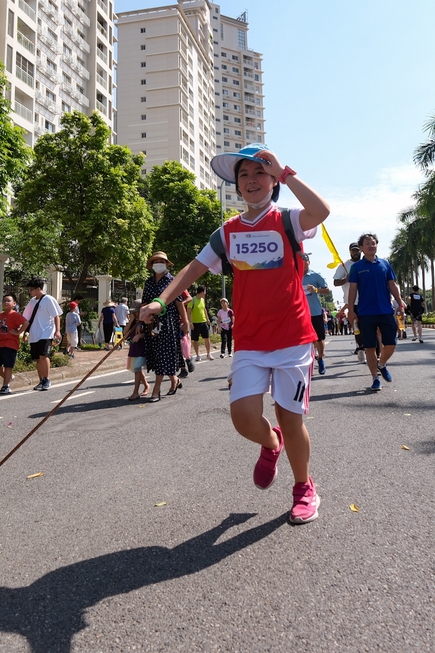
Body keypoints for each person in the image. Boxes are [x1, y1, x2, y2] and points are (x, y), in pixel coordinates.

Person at [140, 144, 329, 525]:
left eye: (260, 173)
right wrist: (161, 301)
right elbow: (192, 270)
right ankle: (270, 444)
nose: (252, 180)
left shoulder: (289, 220)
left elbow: (321, 212)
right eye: (244, 175)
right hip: (250, 341)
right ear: (237, 186)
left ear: (273, 181)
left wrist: (287, 171)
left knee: (291, 418)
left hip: (292, 338)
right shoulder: (227, 232)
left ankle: (304, 488)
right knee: (243, 417)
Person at [346, 233, 405, 392]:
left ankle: (382, 364)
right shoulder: (356, 267)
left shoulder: (385, 264)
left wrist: (400, 303)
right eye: (367, 244)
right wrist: (351, 311)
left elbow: (392, 285)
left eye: (373, 243)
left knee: (391, 344)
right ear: (362, 248)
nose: (371, 246)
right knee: (370, 347)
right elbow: (352, 289)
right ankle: (375, 378)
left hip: (385, 310)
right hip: (366, 313)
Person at [142, 252, 184, 400]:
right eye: (156, 261)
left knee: (163, 354)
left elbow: (179, 303)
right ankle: (175, 380)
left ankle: (156, 389)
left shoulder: (172, 281)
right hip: (152, 325)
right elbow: (145, 302)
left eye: (162, 261)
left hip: (168, 324)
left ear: (167, 264)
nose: (159, 263)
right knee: (157, 355)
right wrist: (144, 316)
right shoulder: (148, 282)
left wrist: (185, 323)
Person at [22, 277, 62, 391]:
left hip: (46, 333)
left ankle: (47, 379)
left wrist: (57, 331)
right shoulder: (32, 301)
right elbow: (27, 318)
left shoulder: (48, 299)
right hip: (35, 334)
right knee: (38, 358)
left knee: (44, 356)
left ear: (39, 288)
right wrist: (25, 332)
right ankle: (41, 380)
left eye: (31, 289)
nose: (30, 292)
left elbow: (56, 316)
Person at [333, 242, 364, 362]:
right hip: (352, 302)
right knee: (357, 327)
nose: (356, 253)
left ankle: (369, 349)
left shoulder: (365, 262)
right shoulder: (344, 266)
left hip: (366, 300)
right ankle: (360, 348)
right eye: (353, 251)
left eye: (357, 250)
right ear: (350, 252)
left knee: (368, 326)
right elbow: (335, 282)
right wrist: (346, 279)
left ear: (360, 251)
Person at [301, 253, 331, 375]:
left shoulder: (315, 275)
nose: (302, 264)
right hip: (300, 314)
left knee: (319, 339)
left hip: (315, 312)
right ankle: (306, 363)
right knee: (304, 340)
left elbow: (327, 290)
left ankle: (321, 358)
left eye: (304, 261)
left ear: (308, 262)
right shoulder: (294, 275)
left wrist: (316, 290)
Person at [0, 295, 26, 395]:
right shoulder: (1, 314)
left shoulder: (15, 315)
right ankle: (9, 377)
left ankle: (6, 386)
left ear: (14, 304)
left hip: (10, 343)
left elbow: (25, 323)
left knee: (8, 365)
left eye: (9, 301)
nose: (6, 302)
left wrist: (18, 332)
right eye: (4, 300)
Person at [126, 313, 150, 400]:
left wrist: (139, 335)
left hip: (142, 348)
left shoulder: (145, 320)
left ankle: (135, 392)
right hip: (134, 348)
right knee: (137, 370)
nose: (134, 314)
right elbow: (125, 332)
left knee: (137, 369)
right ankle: (146, 385)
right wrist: (131, 321)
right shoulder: (133, 322)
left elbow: (148, 333)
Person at [188, 285, 214, 361]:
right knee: (195, 340)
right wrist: (191, 323)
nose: (205, 293)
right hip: (195, 323)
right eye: (205, 291)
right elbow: (188, 312)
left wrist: (207, 319)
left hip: (203, 322)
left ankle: (208, 354)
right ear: (202, 292)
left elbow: (204, 309)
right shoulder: (192, 300)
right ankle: (198, 355)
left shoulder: (202, 300)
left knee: (207, 338)